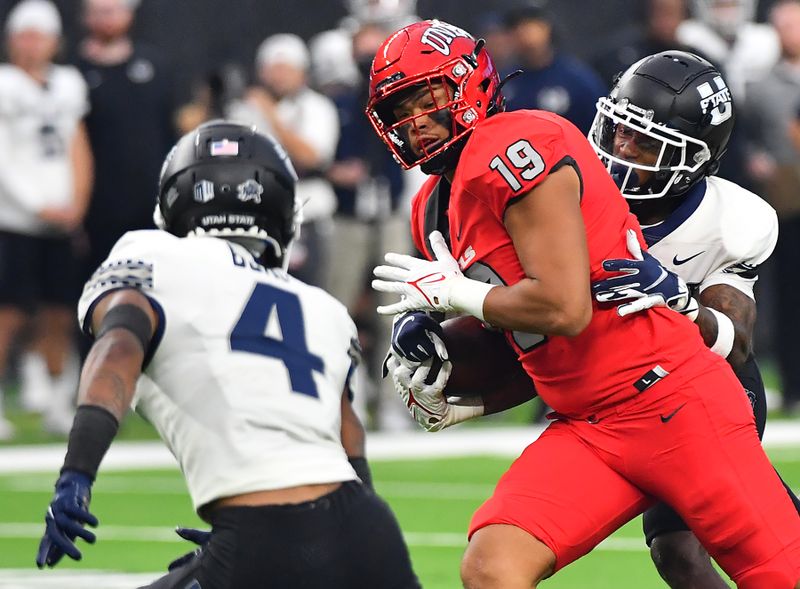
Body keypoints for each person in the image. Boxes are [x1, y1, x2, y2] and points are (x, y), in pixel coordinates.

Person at [366, 19, 800, 589]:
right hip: (588, 423)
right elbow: (538, 349)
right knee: (493, 564)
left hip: (673, 401)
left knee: (771, 573)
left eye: (429, 99)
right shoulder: (430, 207)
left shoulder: (516, 145)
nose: (415, 121)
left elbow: (562, 308)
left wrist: (460, 293)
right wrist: (454, 375)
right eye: (401, 109)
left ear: (469, 85)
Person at [33, 121, 421, 589]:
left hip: (263, 533)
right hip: (368, 529)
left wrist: (76, 474)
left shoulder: (151, 254)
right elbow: (348, 438)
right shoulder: (323, 307)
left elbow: (117, 348)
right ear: (282, 207)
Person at [589, 49, 800, 589]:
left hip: (713, 386)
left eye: (644, 141)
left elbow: (737, 343)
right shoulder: (573, 197)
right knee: (686, 549)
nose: (620, 149)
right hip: (621, 388)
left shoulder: (732, 219)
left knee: (683, 546)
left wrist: (681, 305)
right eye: (617, 130)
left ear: (693, 159)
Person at [0, 0, 93, 438]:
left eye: (40, 35)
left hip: (61, 219)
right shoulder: (4, 84)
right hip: (13, 220)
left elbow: (78, 144)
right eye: (24, 34)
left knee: (60, 312)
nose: (32, 44)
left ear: (56, 41)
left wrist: (77, 201)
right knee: (9, 313)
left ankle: (58, 400)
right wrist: (37, 205)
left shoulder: (69, 84)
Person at [228, 33, 340, 289]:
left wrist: (269, 114)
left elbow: (312, 157)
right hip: (256, 215)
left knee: (311, 294)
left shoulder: (317, 106)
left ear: (302, 72)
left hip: (308, 214)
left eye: (286, 69)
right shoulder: (243, 109)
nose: (279, 76)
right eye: (272, 69)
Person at [76, 0, 176, 281]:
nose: (107, 19)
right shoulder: (72, 73)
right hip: (95, 209)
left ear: (129, 14)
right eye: (99, 12)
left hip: (150, 204)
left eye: (114, 11)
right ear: (85, 17)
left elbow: (172, 129)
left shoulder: (157, 66)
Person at [743, 0, 800, 416]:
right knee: (785, 293)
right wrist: (756, 160)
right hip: (785, 196)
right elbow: (745, 138)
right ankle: (793, 384)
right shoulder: (761, 85)